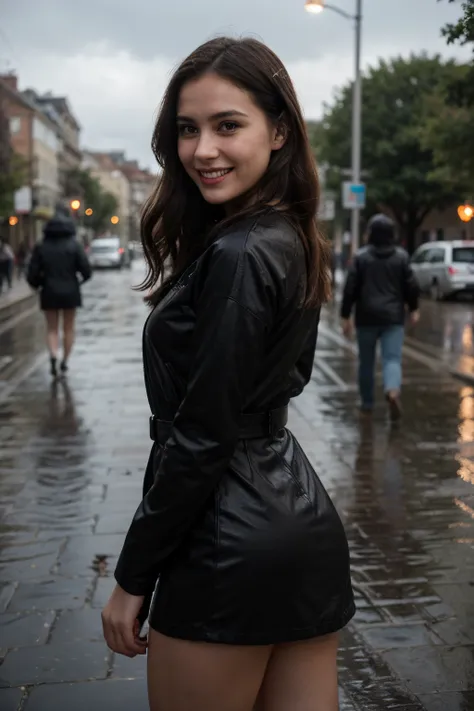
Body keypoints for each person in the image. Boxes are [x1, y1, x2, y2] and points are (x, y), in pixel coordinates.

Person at [101, 37, 354, 711]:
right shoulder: (289, 235)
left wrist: (133, 575)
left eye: (227, 125)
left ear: (278, 131)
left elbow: (202, 434)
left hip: (225, 546)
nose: (202, 149)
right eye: (188, 129)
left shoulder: (240, 251)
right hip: (300, 527)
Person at [340, 213, 420, 420]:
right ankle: (392, 390)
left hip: (366, 317)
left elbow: (350, 288)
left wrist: (345, 315)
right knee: (392, 358)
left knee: (366, 362)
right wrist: (414, 308)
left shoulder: (361, 257)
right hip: (393, 318)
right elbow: (411, 285)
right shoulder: (401, 257)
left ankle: (367, 403)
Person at [27, 209, 91, 378]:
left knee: (52, 328)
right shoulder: (74, 245)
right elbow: (86, 270)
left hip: (49, 291)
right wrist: (78, 281)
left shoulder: (41, 246)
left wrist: (39, 284)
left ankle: (54, 355)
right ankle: (64, 361)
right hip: (70, 291)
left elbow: (32, 273)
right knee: (68, 327)